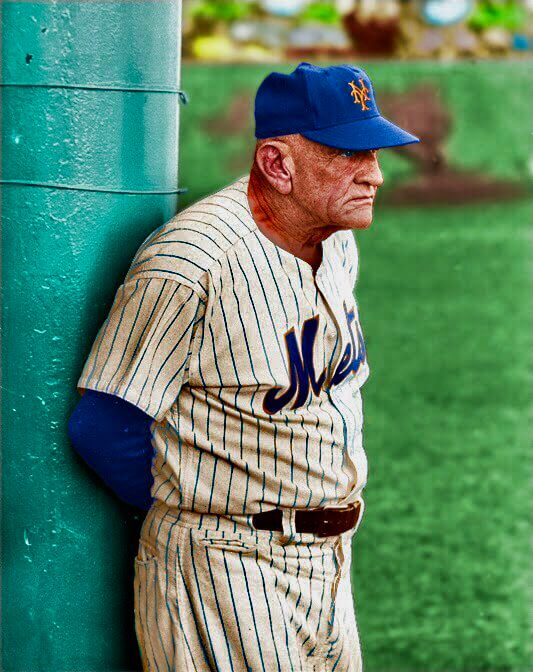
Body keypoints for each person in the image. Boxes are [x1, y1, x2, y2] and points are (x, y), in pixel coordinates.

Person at [68, 62, 419, 672]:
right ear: (278, 164)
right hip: (224, 567)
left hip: (329, 562)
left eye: (375, 151)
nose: (375, 174)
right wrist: (200, 515)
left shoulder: (336, 238)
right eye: (349, 153)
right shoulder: (189, 264)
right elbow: (103, 424)